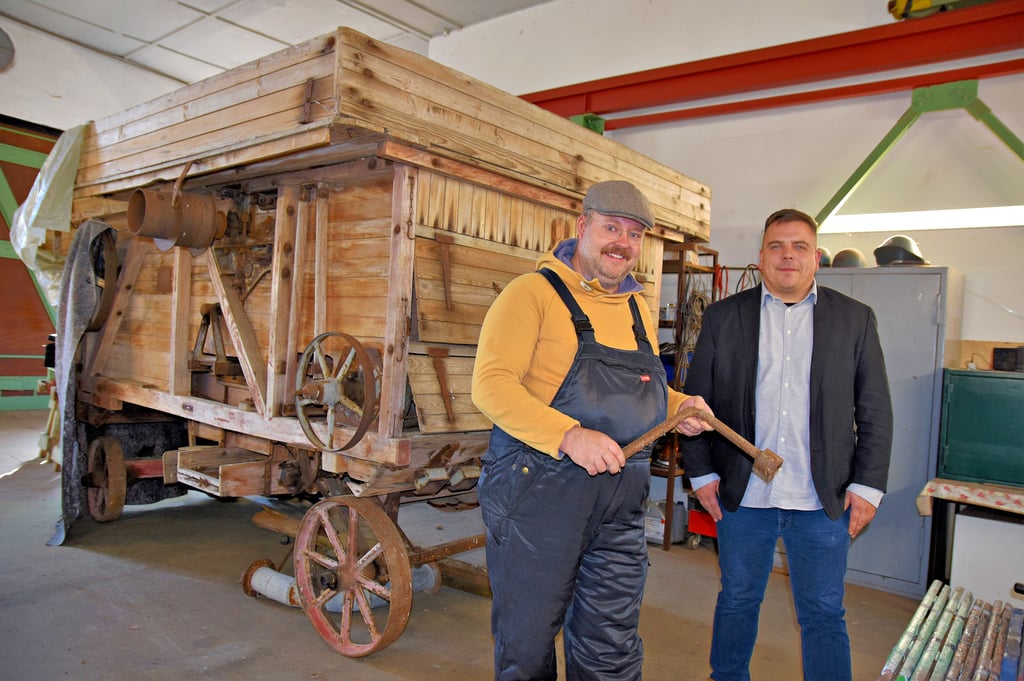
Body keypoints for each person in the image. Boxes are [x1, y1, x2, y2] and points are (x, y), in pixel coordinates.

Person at [471, 180, 713, 681]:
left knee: (612, 644)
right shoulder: (531, 293)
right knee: (528, 643)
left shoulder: (634, 307)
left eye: (634, 234)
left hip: (619, 502)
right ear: (582, 227)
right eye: (610, 228)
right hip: (538, 493)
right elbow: (490, 385)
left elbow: (643, 388)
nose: (622, 243)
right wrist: (567, 435)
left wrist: (680, 406)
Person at [681, 208, 894, 681]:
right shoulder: (723, 318)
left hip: (822, 496)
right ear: (761, 257)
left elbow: (875, 410)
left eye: (799, 246)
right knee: (738, 598)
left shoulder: (855, 320)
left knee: (822, 611)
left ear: (815, 257)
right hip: (742, 495)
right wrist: (701, 474)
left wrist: (869, 486)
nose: (788, 256)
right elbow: (695, 407)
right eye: (776, 246)